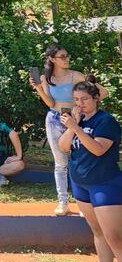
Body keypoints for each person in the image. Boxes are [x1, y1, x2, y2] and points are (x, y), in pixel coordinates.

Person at [29, 43, 109, 215]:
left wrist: (80, 107)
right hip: (54, 118)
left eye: (67, 56)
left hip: (74, 119)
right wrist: (38, 88)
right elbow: (50, 103)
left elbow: (102, 93)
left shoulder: (76, 76)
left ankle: (83, 203)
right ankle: (63, 202)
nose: (66, 59)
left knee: (79, 160)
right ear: (52, 59)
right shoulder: (45, 78)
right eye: (62, 57)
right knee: (60, 163)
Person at [59, 80, 122, 261]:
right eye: (76, 100)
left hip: (105, 183)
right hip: (80, 183)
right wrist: (74, 126)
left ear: (96, 98)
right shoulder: (77, 121)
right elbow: (63, 146)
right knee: (99, 232)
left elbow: (98, 149)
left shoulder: (106, 121)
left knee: (115, 238)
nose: (80, 104)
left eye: (85, 99)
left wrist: (75, 128)